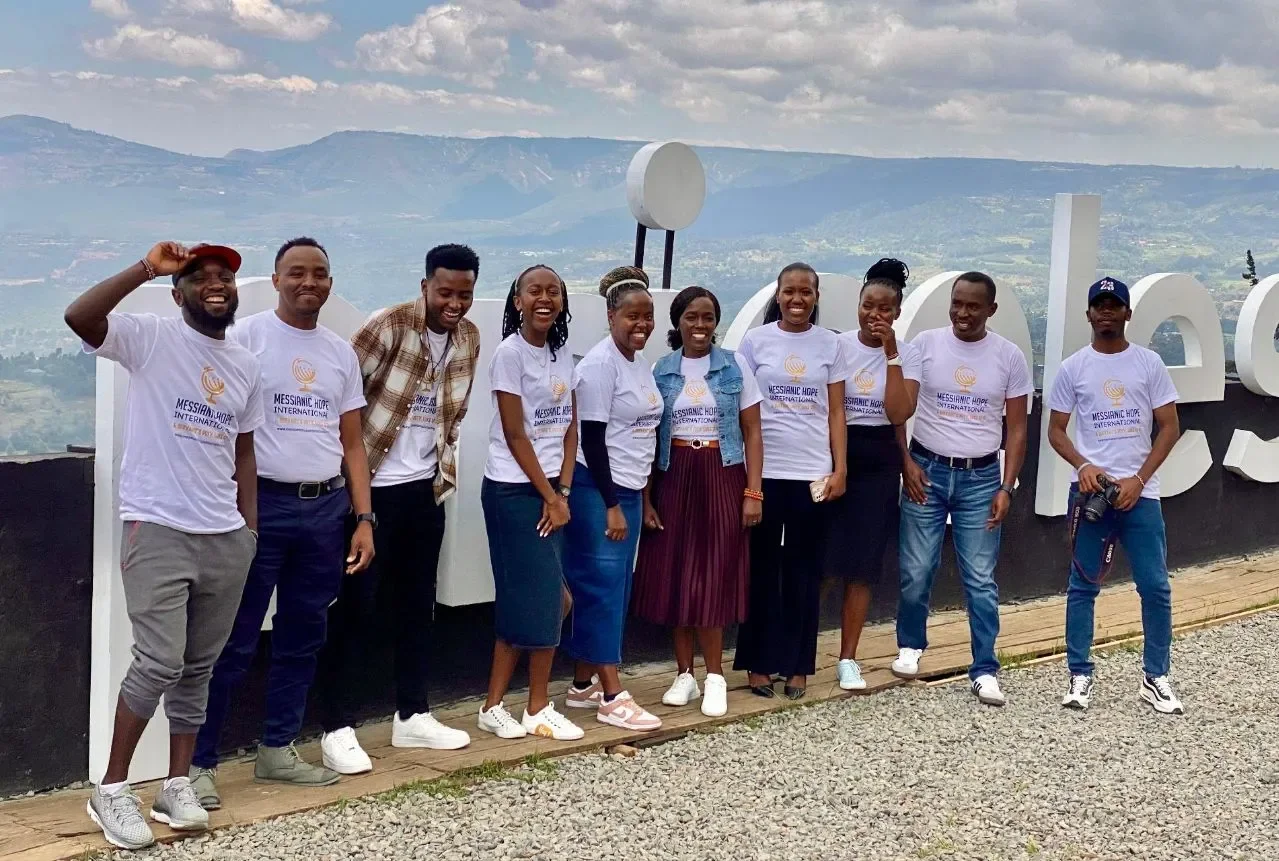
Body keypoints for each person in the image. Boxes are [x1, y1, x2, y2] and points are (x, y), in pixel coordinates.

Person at [65, 243, 262, 850]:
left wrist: (248, 531)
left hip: (224, 537)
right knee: (158, 660)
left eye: (224, 276)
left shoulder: (246, 366)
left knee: (198, 667)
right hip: (157, 527)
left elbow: (245, 450)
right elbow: (80, 317)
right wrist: (147, 268)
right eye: (200, 277)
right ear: (178, 294)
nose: (215, 284)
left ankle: (177, 784)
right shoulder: (151, 338)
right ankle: (112, 789)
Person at [189, 238, 376, 809]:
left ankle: (277, 749)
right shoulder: (246, 339)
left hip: (325, 510)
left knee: (303, 634)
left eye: (319, 274)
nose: (308, 283)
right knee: (235, 638)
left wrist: (363, 517)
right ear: (275, 281)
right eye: (296, 273)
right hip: (259, 507)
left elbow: (352, 441)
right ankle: (197, 764)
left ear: (330, 282)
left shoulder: (340, 353)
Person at [315, 244, 481, 773]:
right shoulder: (387, 326)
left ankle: (412, 715)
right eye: (446, 291)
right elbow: (341, 394)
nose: (455, 303)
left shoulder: (470, 339)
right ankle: (334, 725)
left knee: (417, 607)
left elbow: (451, 416)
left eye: (465, 293)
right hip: (370, 492)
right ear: (425, 285)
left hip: (425, 491)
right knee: (356, 607)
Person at [894, 272, 1032, 707]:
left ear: (991, 310)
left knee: (980, 577)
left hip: (981, 478)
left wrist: (1007, 485)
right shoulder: (926, 345)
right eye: (957, 303)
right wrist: (906, 464)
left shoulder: (1009, 357)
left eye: (973, 306)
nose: (963, 313)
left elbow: (1019, 428)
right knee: (916, 570)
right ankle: (911, 646)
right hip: (926, 470)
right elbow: (900, 410)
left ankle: (985, 668)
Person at [1047, 277, 1183, 714]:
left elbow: (1169, 426)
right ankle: (1079, 675)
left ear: (1127, 313)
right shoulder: (1073, 368)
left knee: (1156, 587)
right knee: (1083, 586)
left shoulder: (1149, 364)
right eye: (1098, 305)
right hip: (1092, 496)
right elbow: (1054, 429)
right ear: (1088, 314)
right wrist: (1084, 466)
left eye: (1114, 305)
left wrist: (1140, 479)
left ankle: (1156, 677)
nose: (1106, 312)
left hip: (1141, 495)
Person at [634, 286, 764, 718]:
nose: (700, 325)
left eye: (708, 317)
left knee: (714, 574)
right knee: (676, 572)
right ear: (678, 322)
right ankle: (684, 674)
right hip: (674, 476)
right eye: (692, 317)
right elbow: (651, 438)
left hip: (721, 472)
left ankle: (715, 676)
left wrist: (753, 491)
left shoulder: (734, 366)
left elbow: (752, 433)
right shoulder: (662, 369)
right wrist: (647, 498)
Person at [477, 265, 585, 741]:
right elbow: (515, 433)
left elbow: (569, 429)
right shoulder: (509, 354)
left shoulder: (564, 357)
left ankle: (493, 704)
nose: (544, 298)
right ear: (517, 300)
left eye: (552, 291)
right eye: (534, 291)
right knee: (550, 598)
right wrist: (548, 495)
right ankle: (537, 707)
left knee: (533, 599)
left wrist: (561, 492)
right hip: (513, 492)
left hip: (549, 494)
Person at [733, 262, 848, 701]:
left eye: (806, 292)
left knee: (805, 570)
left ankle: (799, 665)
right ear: (777, 296)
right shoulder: (756, 342)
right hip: (764, 472)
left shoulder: (829, 345)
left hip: (812, 475)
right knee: (760, 569)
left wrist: (840, 469)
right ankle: (758, 664)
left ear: (816, 297)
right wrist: (749, 482)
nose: (797, 300)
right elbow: (744, 411)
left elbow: (836, 411)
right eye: (789, 292)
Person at [562, 266, 665, 731]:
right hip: (599, 491)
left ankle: (582, 683)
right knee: (603, 590)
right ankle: (611, 693)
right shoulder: (600, 366)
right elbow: (593, 441)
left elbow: (639, 437)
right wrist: (610, 503)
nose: (641, 325)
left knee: (613, 589)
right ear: (610, 316)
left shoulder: (636, 362)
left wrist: (641, 498)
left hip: (628, 489)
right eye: (632, 317)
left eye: (648, 317)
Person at [827, 259, 922, 691]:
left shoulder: (908, 352)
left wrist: (891, 356)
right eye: (868, 306)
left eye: (885, 308)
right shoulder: (837, 346)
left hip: (879, 458)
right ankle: (798, 652)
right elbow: (830, 409)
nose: (875, 315)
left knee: (863, 566)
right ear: (858, 305)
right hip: (834, 452)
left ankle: (848, 657)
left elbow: (899, 412)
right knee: (823, 559)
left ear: (897, 312)